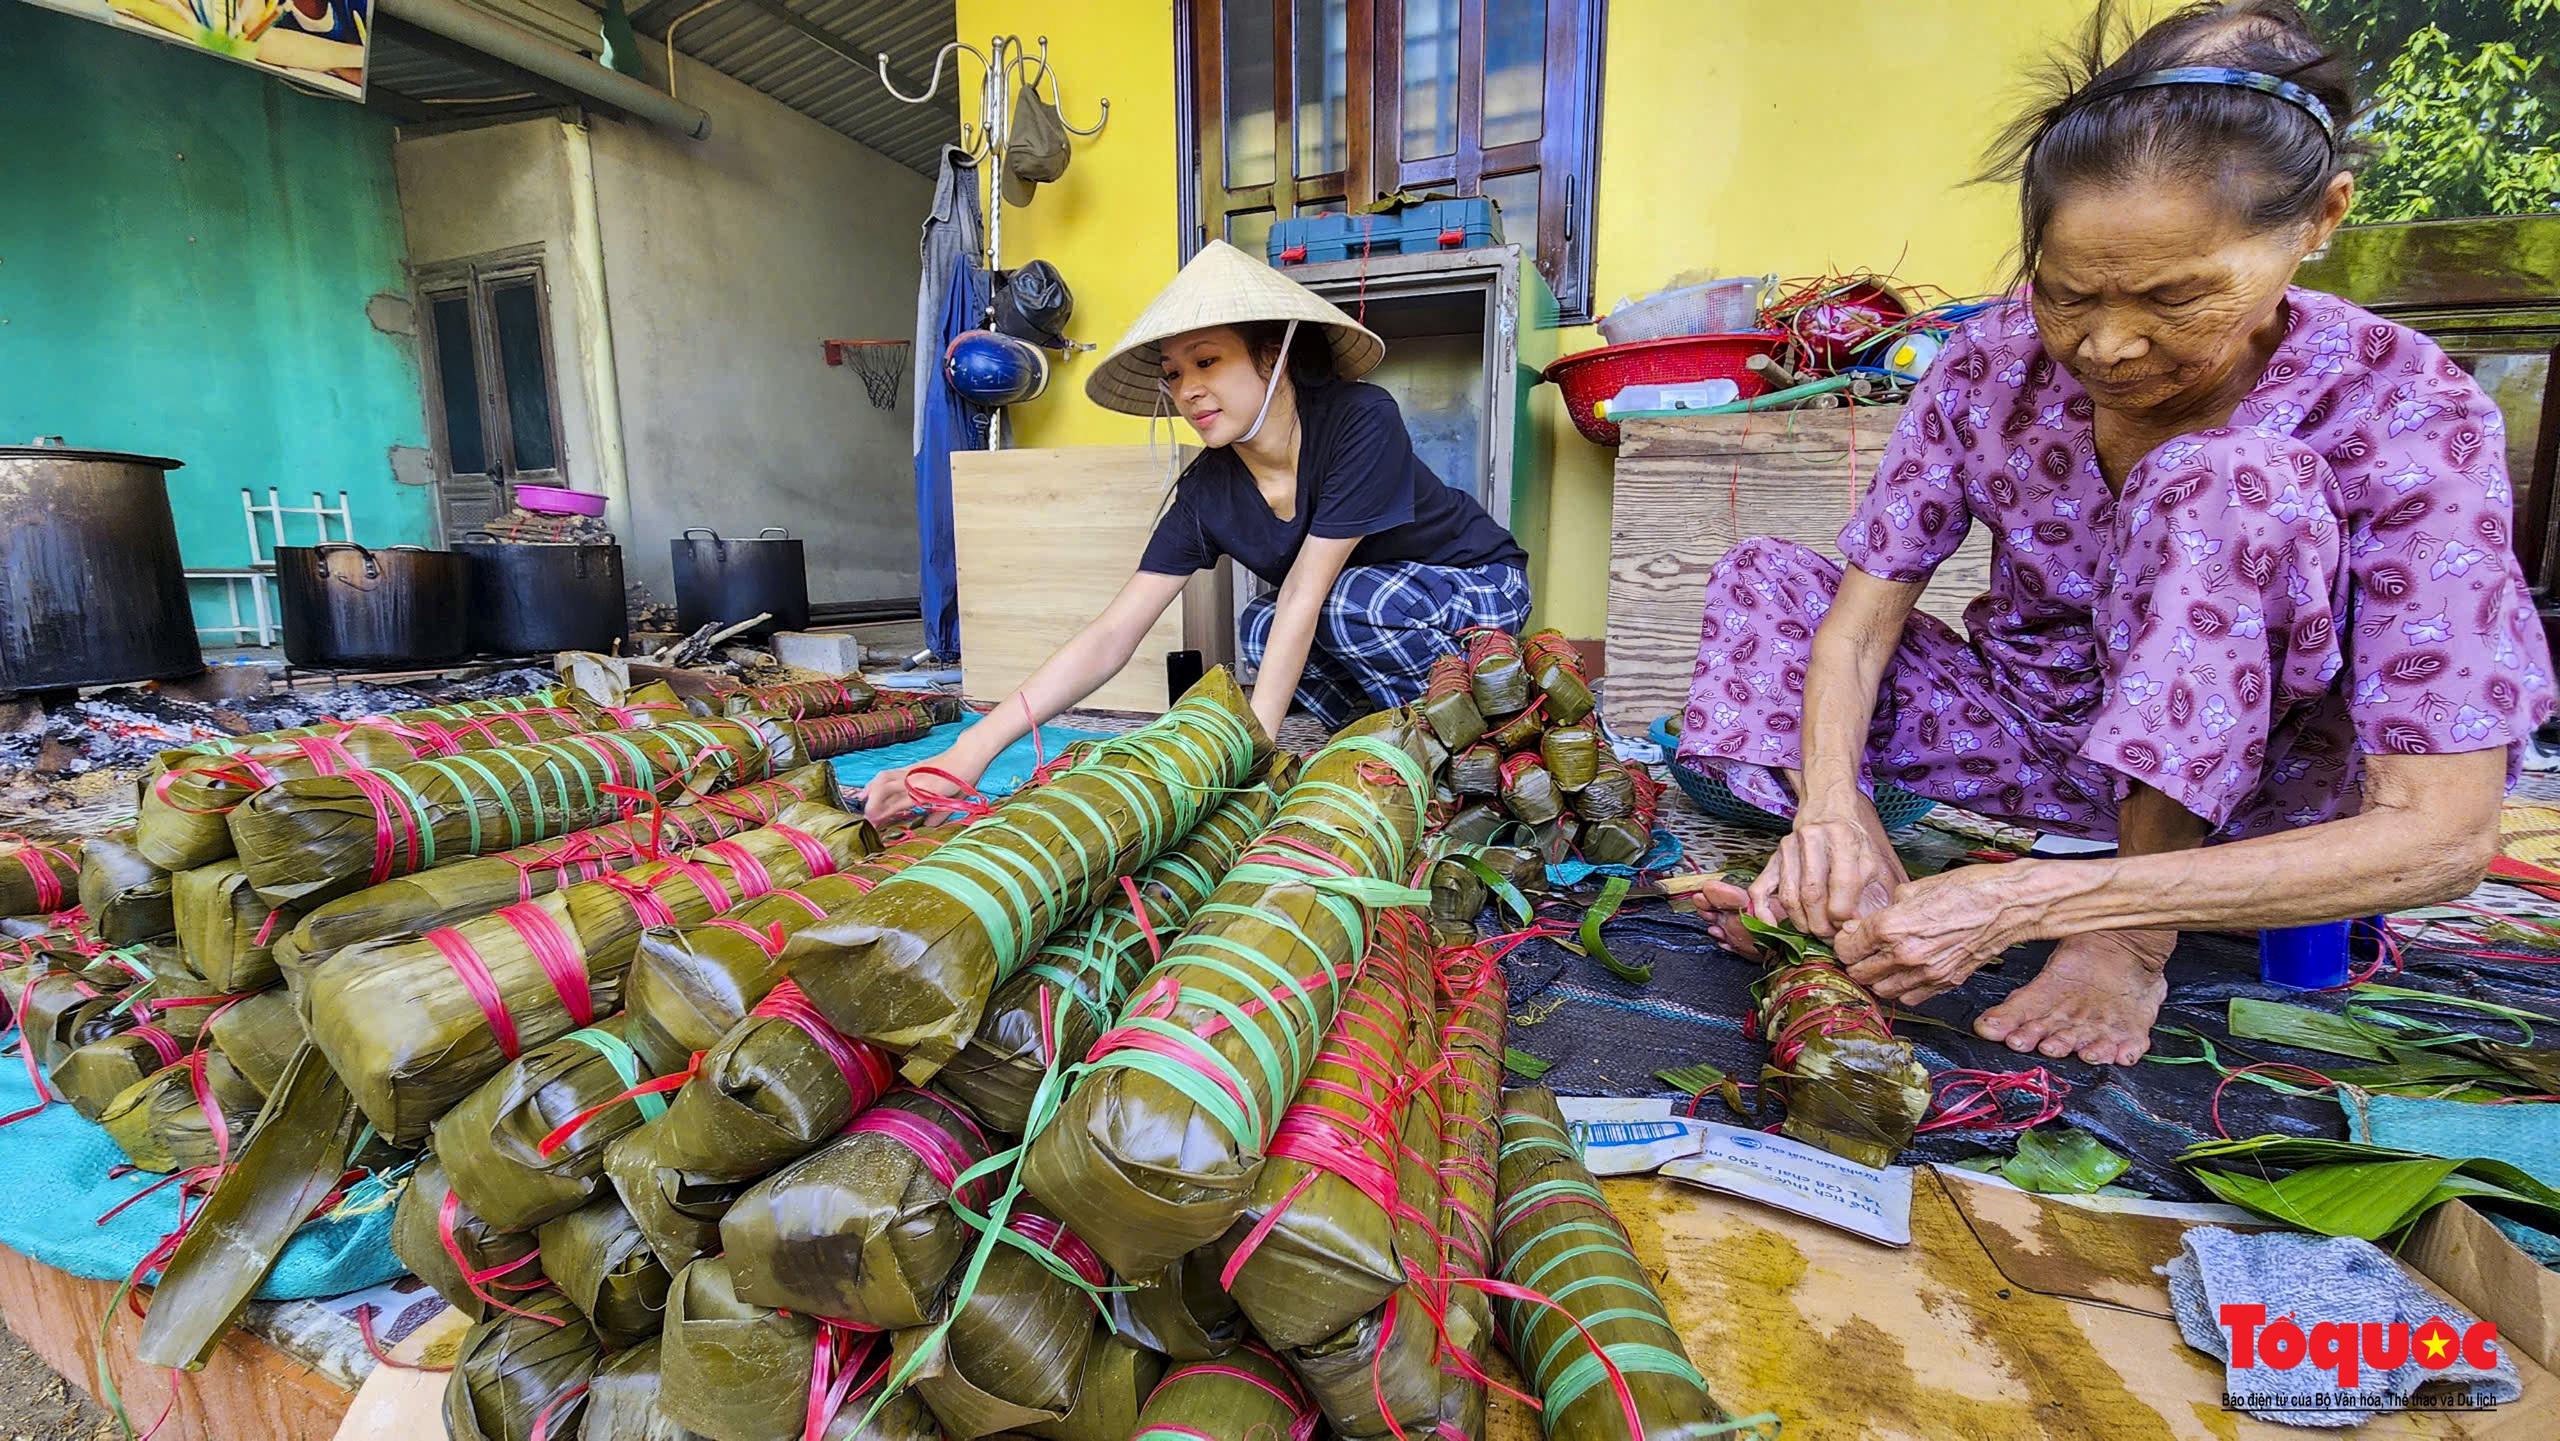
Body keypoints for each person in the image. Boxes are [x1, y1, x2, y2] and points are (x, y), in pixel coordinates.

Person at [1675, 0, 2556, 1066]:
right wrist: (1832, 816)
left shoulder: (2405, 407)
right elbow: (1857, 631)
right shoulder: (1989, 364)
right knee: (1768, 579)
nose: (2106, 344)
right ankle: (1879, 881)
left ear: (2320, 220)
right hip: (2031, 746)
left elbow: (2446, 837)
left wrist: (2075, 910)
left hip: (2259, 796)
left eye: (2175, 298)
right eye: (2064, 293)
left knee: (2226, 482)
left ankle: (2138, 927)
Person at [864, 240, 1530, 823]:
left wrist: (1255, 765)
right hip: (1368, 610)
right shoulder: (1208, 488)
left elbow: (1307, 593)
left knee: (1348, 605)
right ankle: (1385, 730)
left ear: (1274, 356)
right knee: (1258, 629)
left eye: (1207, 361)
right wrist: (966, 753)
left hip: (1477, 585)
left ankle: (1454, 753)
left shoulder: (1361, 419)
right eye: (1174, 373)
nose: (1187, 390)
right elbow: (1111, 635)